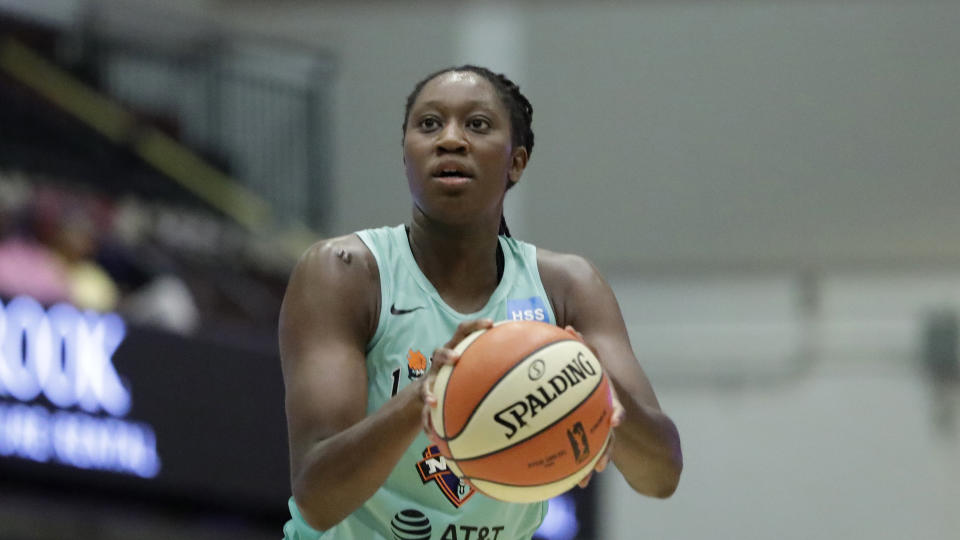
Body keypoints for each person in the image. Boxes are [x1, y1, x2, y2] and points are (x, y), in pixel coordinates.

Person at [279, 65, 682, 539]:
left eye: (477, 124)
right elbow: (317, 496)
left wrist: (597, 387)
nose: (450, 139)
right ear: (405, 155)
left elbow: (661, 476)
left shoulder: (568, 286)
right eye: (429, 124)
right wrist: (425, 396)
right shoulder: (344, 272)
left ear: (516, 162)